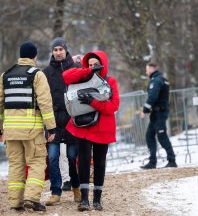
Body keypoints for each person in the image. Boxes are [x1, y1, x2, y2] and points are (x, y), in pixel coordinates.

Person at [0, 41, 56, 212]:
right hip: (32, 130)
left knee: (16, 164)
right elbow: (45, 103)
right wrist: (51, 127)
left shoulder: (5, 75)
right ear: (34, 56)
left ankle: (15, 202)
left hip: (11, 130)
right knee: (37, 162)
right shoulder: (37, 74)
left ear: (20, 54)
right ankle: (31, 198)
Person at [62, 50, 120, 211]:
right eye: (90, 64)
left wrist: (93, 102)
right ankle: (84, 199)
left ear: (104, 64)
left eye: (96, 64)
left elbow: (114, 106)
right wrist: (87, 71)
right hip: (83, 126)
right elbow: (66, 77)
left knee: (100, 162)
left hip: (103, 127)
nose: (94, 67)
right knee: (83, 161)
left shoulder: (110, 81)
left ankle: (97, 199)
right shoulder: (82, 76)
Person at [43, 38, 81, 206]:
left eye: (60, 49)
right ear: (52, 52)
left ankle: (76, 188)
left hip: (73, 121)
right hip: (54, 123)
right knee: (52, 158)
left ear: (66, 50)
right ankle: (55, 192)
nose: (57, 52)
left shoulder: (76, 68)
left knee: (73, 157)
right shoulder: (45, 73)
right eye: (55, 49)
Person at [140, 62, 177, 169]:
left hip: (159, 113)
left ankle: (172, 160)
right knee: (149, 136)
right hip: (157, 113)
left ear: (151, 69)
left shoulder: (156, 80)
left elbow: (152, 96)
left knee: (162, 136)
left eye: (147, 70)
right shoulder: (162, 79)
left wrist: (145, 110)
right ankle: (152, 162)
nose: (146, 72)